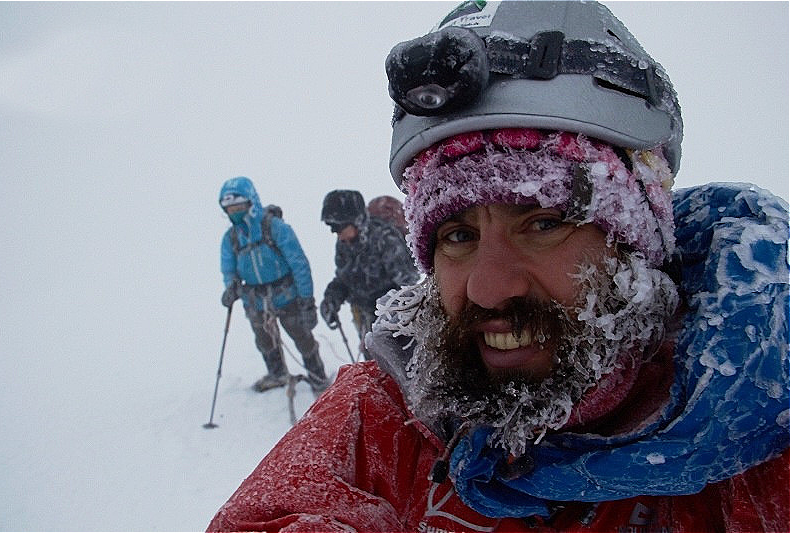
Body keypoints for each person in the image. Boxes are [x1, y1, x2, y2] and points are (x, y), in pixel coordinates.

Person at [207, 3, 789, 532]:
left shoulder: (759, 434)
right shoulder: (390, 418)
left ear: (638, 242)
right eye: (457, 235)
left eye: (542, 223)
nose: (487, 289)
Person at [218, 176, 328, 394]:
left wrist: (307, 299)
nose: (235, 212)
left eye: (239, 206)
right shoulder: (230, 239)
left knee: (302, 337)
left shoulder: (275, 228)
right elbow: (228, 269)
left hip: (287, 295)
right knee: (265, 340)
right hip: (255, 300)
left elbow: (299, 264)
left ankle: (318, 377)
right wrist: (231, 286)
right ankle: (277, 373)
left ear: (251, 202)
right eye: (230, 209)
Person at [319, 189, 419, 358]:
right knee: (374, 364)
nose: (336, 233)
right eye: (332, 227)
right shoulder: (344, 245)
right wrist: (331, 298)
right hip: (364, 319)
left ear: (356, 221)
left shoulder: (385, 239)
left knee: (402, 366)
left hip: (393, 324)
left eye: (338, 226)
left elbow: (408, 285)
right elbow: (344, 279)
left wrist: (391, 318)